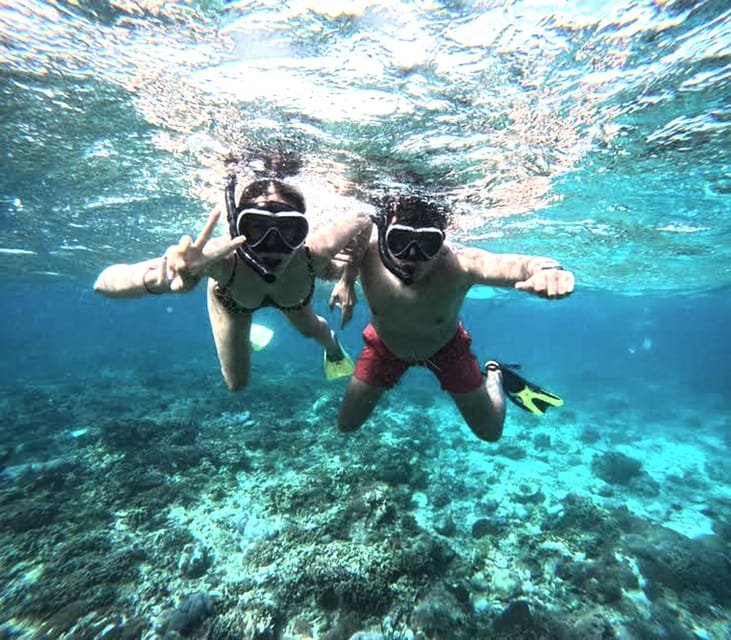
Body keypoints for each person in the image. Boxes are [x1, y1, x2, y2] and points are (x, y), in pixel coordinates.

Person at [336, 194, 575, 442]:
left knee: (490, 433)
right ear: (385, 236)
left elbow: (516, 264)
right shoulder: (366, 255)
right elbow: (321, 258)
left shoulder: (461, 265)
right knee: (347, 425)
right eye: (400, 240)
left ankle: (495, 372)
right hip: (384, 349)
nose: (412, 255)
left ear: (441, 244)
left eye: (427, 244)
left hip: (447, 350)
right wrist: (339, 276)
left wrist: (548, 270)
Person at [94, 175, 371, 389]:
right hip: (233, 303)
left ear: (303, 231)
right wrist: (161, 277)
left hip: (292, 297)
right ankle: (247, 333)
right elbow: (103, 283)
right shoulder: (218, 259)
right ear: (237, 227)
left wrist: (348, 279)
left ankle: (333, 349)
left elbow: (363, 219)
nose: (271, 244)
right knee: (236, 384)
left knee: (312, 330)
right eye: (256, 228)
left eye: (288, 229)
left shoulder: (315, 253)